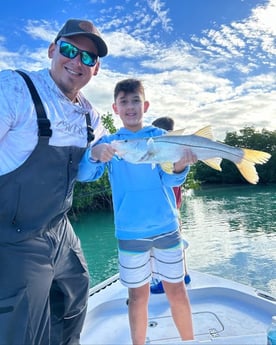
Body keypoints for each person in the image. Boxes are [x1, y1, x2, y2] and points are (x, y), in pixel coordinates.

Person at [0, 18, 108, 345]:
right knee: (22, 327)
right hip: (13, 235)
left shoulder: (92, 117)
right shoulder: (15, 89)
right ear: (52, 49)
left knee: (74, 294)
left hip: (60, 228)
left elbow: (87, 173)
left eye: (88, 57)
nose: (77, 62)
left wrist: (98, 157)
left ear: (96, 68)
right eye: (69, 50)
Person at [77, 78, 196, 344]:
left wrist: (180, 167)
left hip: (166, 228)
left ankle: (190, 341)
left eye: (135, 101)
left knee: (177, 291)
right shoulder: (109, 142)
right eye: (124, 102)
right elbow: (85, 175)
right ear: (115, 108)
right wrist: (94, 153)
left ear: (146, 105)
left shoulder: (160, 138)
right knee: (137, 297)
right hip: (130, 233)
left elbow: (172, 181)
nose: (130, 107)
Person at [150, 116, 191, 294]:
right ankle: (185, 274)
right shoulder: (177, 152)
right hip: (176, 207)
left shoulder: (164, 154)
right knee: (177, 240)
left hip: (166, 208)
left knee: (159, 246)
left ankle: (163, 281)